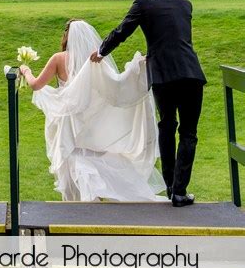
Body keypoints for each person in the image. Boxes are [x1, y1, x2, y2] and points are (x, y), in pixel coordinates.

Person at [90, 0, 206, 207]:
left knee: (166, 125)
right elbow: (174, 37)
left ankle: (171, 186)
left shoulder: (144, 2)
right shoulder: (186, 3)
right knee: (189, 133)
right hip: (191, 73)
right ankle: (180, 192)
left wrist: (102, 52)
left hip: (163, 75)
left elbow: (124, 30)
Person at [20, 19, 166, 202]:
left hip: (70, 120)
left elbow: (35, 85)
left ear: (67, 36)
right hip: (91, 118)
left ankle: (81, 203)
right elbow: (114, 85)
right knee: (92, 156)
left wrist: (26, 70)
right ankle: (95, 195)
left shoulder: (59, 59)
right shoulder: (95, 60)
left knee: (73, 157)